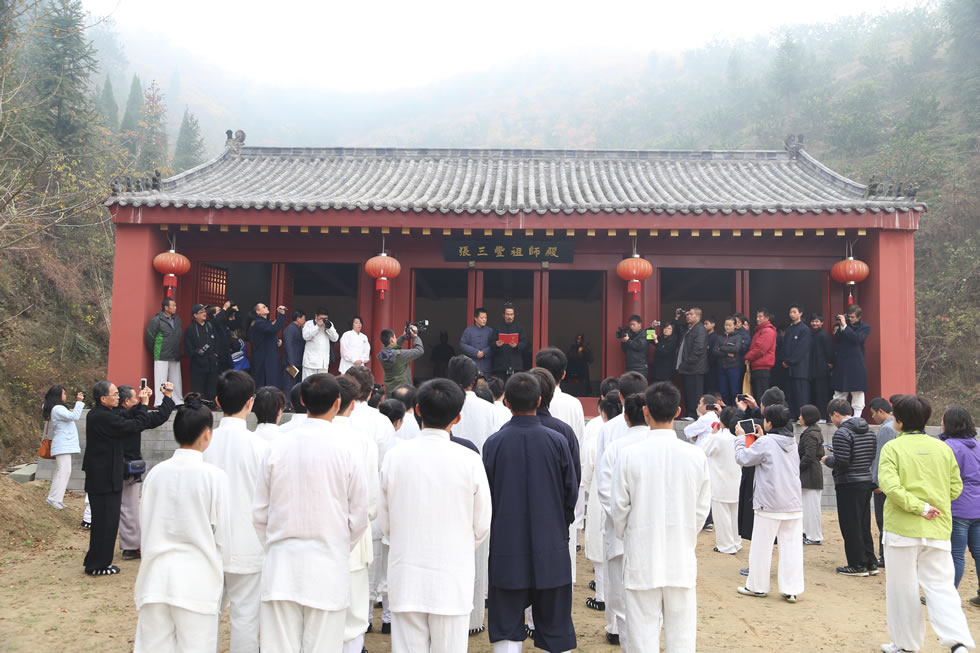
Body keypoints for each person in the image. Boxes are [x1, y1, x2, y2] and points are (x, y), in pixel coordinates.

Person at [253, 373, 369, 652]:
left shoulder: (277, 446)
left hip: (282, 564)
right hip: (327, 563)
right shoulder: (348, 449)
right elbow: (359, 516)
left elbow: (259, 513)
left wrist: (275, 543)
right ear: (338, 402)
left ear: (302, 400)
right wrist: (338, 545)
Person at [380, 378, 492, 653]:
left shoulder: (395, 456)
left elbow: (386, 521)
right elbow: (481, 524)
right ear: (457, 418)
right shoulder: (469, 460)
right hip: (452, 573)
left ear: (417, 410)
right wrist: (459, 545)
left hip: (407, 570)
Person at [612, 381, 711, 652]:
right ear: (678, 411)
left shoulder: (629, 455)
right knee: (682, 636)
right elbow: (701, 509)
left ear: (646, 412)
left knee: (641, 635)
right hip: (680, 554)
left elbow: (619, 508)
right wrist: (686, 532)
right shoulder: (695, 456)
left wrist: (630, 534)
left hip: (642, 554)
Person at [483, 372, 577, 653]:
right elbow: (570, 492)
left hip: (507, 544)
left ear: (507, 403)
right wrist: (560, 525)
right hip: (551, 544)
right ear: (539, 400)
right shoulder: (557, 441)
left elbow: (487, 496)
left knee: (507, 623)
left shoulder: (494, 443)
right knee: (555, 625)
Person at [132, 395, 230, 653]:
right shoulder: (214, 477)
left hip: (155, 577)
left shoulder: (155, 474)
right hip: (197, 579)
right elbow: (224, 535)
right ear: (207, 435)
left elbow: (146, 522)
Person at [878, 395, 974, 653]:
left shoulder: (893, 448)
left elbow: (890, 486)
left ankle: (906, 645)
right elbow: (955, 488)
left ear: (899, 420)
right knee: (942, 588)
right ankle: (958, 642)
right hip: (938, 528)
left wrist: (920, 507)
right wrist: (933, 502)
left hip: (902, 530)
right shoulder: (943, 449)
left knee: (902, 590)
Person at [201, 371, 266, 652]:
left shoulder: (203, 442)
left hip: (208, 541)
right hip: (249, 542)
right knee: (246, 618)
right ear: (250, 402)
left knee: (206, 616)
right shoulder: (261, 447)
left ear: (217, 401)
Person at [596, 389, 661, 647]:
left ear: (626, 418)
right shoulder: (660, 447)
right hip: (655, 534)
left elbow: (606, 492)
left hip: (620, 535)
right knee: (651, 601)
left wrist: (625, 523)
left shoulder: (615, 449)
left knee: (621, 602)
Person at [592, 371, 647, 644]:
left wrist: (621, 518)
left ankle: (615, 628)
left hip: (619, 520)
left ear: (620, 396)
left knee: (619, 583)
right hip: (643, 521)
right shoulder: (647, 430)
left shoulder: (609, 428)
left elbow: (604, 483)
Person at [447, 354, 498, 636]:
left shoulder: (442, 401)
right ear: (474, 379)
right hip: (480, 480)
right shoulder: (488, 409)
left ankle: (452, 608)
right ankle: (475, 615)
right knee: (478, 550)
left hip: (445, 480)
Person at [734, 403, 805, 603]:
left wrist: (741, 439)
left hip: (769, 503)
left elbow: (743, 458)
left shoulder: (765, 443)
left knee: (761, 547)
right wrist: (762, 438)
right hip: (793, 503)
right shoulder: (792, 442)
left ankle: (757, 586)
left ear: (769, 423)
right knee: (791, 548)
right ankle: (791, 589)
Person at [82, 380, 154, 576]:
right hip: (103, 477)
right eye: (114, 394)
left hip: (104, 475)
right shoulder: (103, 417)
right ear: (103, 398)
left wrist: (140, 405)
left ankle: (95, 559)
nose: (117, 397)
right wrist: (144, 404)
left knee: (105, 521)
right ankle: (98, 565)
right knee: (105, 521)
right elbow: (135, 425)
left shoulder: (101, 414)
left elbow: (130, 419)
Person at [332, 375, 379, 653]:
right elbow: (370, 503)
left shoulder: (297, 437)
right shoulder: (363, 442)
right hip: (354, 536)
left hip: (312, 538)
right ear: (352, 405)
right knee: (353, 615)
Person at [117, 383, 176, 561]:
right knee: (128, 507)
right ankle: (131, 545)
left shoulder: (131, 414)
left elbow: (157, 418)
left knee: (129, 507)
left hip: (125, 466)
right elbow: (140, 421)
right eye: (135, 397)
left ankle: (132, 543)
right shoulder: (118, 416)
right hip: (121, 466)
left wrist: (166, 397)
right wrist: (144, 404)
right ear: (126, 402)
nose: (138, 399)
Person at [822, 397, 878, 576]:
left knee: (850, 524)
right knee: (863, 523)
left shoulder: (842, 433)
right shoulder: (868, 431)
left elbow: (842, 462)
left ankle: (857, 564)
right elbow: (870, 456)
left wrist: (827, 459)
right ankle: (870, 562)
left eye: (832, 418)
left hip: (848, 483)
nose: (832, 421)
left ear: (836, 414)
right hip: (865, 480)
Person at [583, 388, 622, 613]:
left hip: (601, 493)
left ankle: (601, 594)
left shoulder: (599, 433)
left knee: (600, 545)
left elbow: (588, 470)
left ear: (603, 412)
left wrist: (591, 486)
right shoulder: (630, 435)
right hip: (625, 496)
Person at [940, 406, 980, 600]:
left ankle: (948, 594)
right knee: (978, 553)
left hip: (958, 506)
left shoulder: (948, 447)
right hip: (977, 505)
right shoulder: (977, 445)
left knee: (955, 554)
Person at [42, 386, 85, 510]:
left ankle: (56, 498)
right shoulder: (57, 408)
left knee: (62, 471)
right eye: (64, 393)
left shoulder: (55, 408)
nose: (65, 396)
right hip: (63, 445)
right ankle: (54, 499)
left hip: (63, 445)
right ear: (58, 395)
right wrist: (79, 402)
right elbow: (74, 416)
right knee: (64, 471)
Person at [870, 396, 899, 565]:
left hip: (884, 483)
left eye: (873, 413)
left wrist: (877, 482)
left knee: (883, 520)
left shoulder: (887, 429)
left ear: (881, 411)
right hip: (896, 481)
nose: (872, 417)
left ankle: (885, 555)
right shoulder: (897, 425)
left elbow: (881, 457)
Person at [831, 304, 872, 417]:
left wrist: (845, 326)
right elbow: (836, 339)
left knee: (857, 392)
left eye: (852, 317)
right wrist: (841, 326)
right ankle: (838, 415)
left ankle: (857, 417)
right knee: (839, 392)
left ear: (859, 317)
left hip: (856, 364)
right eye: (848, 316)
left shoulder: (865, 327)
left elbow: (857, 339)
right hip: (842, 363)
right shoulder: (843, 326)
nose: (850, 319)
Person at [145, 297, 184, 405]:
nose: (175, 307)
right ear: (166, 307)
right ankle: (160, 402)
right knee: (160, 379)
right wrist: (156, 350)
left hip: (175, 353)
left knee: (176, 379)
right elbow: (150, 337)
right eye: (173, 305)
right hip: (161, 353)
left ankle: (177, 401)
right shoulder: (156, 320)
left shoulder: (177, 320)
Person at [798, 404, 824, 545]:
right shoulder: (813, 432)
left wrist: (797, 468)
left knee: (811, 507)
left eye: (801, 415)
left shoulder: (811, 434)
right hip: (811, 473)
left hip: (810, 474)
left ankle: (814, 536)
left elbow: (809, 455)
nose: (799, 417)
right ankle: (808, 533)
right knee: (808, 506)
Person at [676, 307, 708, 420]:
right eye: (687, 314)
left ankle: (695, 414)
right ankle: (690, 413)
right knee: (688, 392)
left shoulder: (700, 329)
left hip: (695, 367)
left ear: (698, 316)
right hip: (688, 368)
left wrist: (686, 362)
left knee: (695, 392)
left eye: (691, 314)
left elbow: (698, 350)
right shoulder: (689, 329)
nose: (688, 316)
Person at [185, 304, 220, 404]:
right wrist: (196, 353)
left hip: (211, 361)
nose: (204, 314)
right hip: (198, 362)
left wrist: (216, 355)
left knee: (212, 385)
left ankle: (212, 404)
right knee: (197, 387)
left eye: (205, 311)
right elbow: (188, 348)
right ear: (195, 315)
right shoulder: (190, 329)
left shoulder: (210, 326)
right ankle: (197, 405)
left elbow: (217, 341)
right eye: (201, 312)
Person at [782, 304, 812, 419]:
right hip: (788, 368)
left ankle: (803, 417)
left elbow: (801, 349)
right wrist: (785, 360)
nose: (792, 314)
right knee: (790, 394)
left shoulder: (804, 329)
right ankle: (793, 415)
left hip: (800, 368)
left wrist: (790, 361)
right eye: (791, 312)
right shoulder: (789, 329)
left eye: (794, 312)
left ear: (800, 313)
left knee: (801, 394)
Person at [248, 303, 287, 388]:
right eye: (264, 307)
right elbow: (273, 329)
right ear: (258, 312)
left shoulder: (265, 322)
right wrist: (281, 315)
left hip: (268, 356)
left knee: (270, 382)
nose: (266, 307)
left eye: (266, 306)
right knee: (263, 383)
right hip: (263, 357)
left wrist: (277, 340)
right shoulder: (259, 323)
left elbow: (268, 336)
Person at [744, 309, 777, 400]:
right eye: (757, 316)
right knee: (756, 394)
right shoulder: (760, 330)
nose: (757, 319)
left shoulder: (768, 331)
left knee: (761, 395)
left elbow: (760, 349)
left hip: (762, 367)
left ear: (767, 318)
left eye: (760, 316)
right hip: (757, 366)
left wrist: (747, 357)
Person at [377, 325, 424, 390]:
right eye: (395, 337)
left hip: (390, 389)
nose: (396, 339)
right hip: (403, 390)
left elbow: (392, 348)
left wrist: (403, 337)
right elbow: (419, 351)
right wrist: (415, 336)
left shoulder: (381, 354)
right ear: (392, 340)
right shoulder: (400, 355)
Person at [714, 316, 747, 406]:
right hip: (721, 367)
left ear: (734, 326)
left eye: (729, 325)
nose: (727, 327)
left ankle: (735, 410)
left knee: (734, 392)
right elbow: (715, 351)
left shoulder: (738, 337)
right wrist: (727, 353)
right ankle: (725, 411)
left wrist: (721, 348)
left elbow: (736, 349)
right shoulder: (720, 337)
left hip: (733, 367)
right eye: (726, 325)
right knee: (723, 392)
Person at [490, 303, 529, 381]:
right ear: (503, 315)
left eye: (511, 314)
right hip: (500, 365)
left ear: (514, 315)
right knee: (500, 386)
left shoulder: (519, 328)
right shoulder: (497, 328)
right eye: (507, 314)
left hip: (515, 364)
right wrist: (496, 344)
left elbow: (525, 343)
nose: (509, 317)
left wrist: (517, 345)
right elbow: (491, 344)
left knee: (515, 386)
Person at [808, 314, 834, 421]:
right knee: (814, 394)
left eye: (817, 321)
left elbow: (829, 352)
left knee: (822, 395)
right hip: (813, 370)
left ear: (822, 323)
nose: (814, 323)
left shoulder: (824, 335)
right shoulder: (810, 335)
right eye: (813, 321)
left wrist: (830, 363)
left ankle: (823, 416)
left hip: (822, 370)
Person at [302, 308, 340, 379]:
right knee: (308, 383)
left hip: (323, 363)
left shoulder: (329, 324)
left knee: (322, 384)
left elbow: (335, 338)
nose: (323, 320)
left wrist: (328, 329)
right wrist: (317, 326)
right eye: (321, 318)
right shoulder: (309, 324)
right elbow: (305, 336)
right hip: (310, 362)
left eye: (325, 319)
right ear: (316, 316)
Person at [280, 310, 307, 404]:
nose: (305, 321)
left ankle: (293, 403)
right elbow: (288, 346)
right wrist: (291, 362)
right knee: (289, 383)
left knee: (296, 383)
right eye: (303, 319)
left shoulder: (299, 328)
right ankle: (287, 404)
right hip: (291, 362)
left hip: (297, 361)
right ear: (298, 318)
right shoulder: (290, 329)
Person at [460, 307, 494, 379]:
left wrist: (484, 352)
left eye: (485, 318)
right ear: (475, 318)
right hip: (472, 365)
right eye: (482, 318)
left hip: (486, 366)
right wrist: (476, 352)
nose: (484, 320)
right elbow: (462, 345)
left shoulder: (490, 331)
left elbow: (494, 345)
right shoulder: (469, 330)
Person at [208, 302, 239, 373]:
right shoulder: (212, 322)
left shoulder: (223, 322)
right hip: (218, 355)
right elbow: (218, 320)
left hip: (226, 353)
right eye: (219, 310)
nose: (222, 312)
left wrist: (236, 311)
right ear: (214, 314)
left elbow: (235, 324)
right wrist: (224, 308)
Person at [704, 316, 723, 395]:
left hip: (713, 367)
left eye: (706, 324)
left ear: (713, 324)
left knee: (712, 390)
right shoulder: (704, 337)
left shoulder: (716, 337)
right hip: (704, 367)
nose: (705, 326)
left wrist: (709, 364)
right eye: (704, 324)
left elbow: (714, 353)